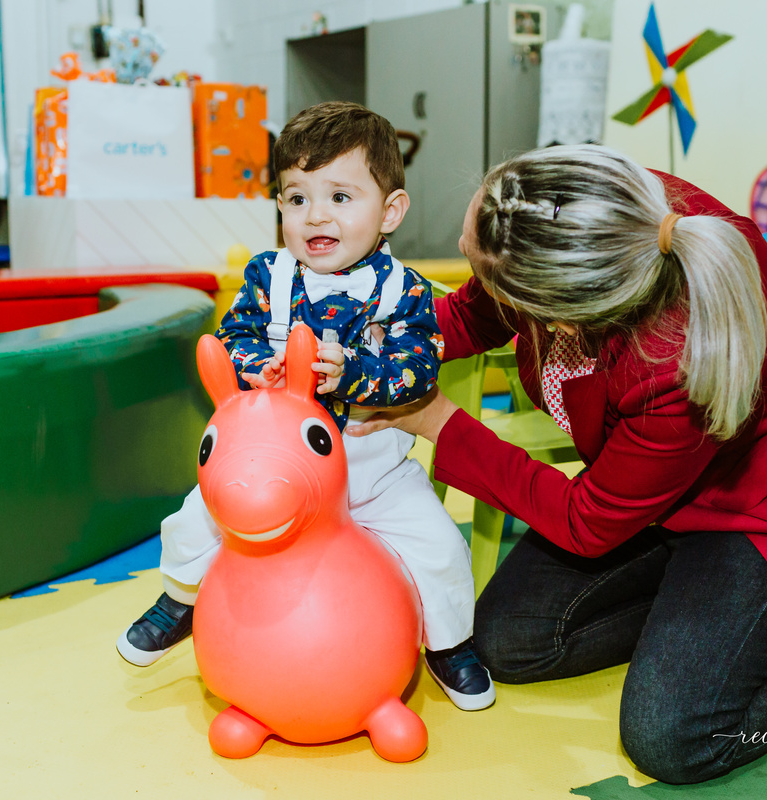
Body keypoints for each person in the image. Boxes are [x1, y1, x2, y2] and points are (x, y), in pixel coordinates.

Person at [350, 144, 767, 782]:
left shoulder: (676, 362)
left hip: (764, 512)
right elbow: (477, 308)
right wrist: (391, 345)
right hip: (647, 500)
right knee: (505, 640)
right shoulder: (585, 218)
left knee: (672, 739)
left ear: (560, 306)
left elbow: (588, 522)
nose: (480, 281)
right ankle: (698, 613)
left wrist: (437, 422)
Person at [117, 101, 494, 711]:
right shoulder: (271, 276)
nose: (315, 215)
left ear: (390, 211)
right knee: (195, 518)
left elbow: (418, 367)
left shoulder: (405, 289)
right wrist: (251, 367)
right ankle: (180, 601)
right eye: (297, 199)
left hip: (370, 468)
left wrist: (357, 373)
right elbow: (236, 334)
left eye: (340, 197)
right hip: (275, 474)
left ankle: (448, 643)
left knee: (439, 545)